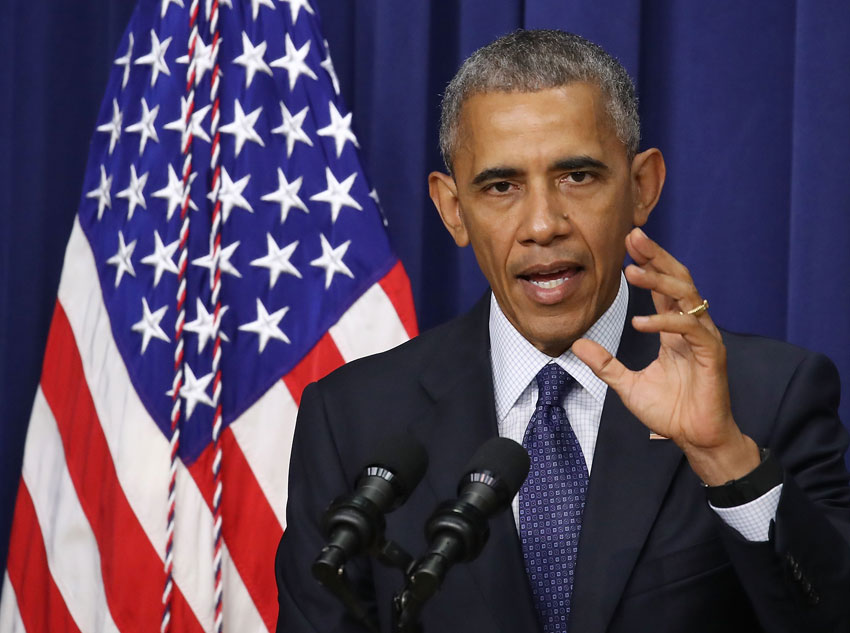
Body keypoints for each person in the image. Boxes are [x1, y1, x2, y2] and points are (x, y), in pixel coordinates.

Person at [275, 30, 850, 633]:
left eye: (577, 177)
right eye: (501, 187)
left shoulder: (768, 394)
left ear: (642, 187)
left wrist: (723, 457)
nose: (543, 224)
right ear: (452, 210)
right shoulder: (353, 418)